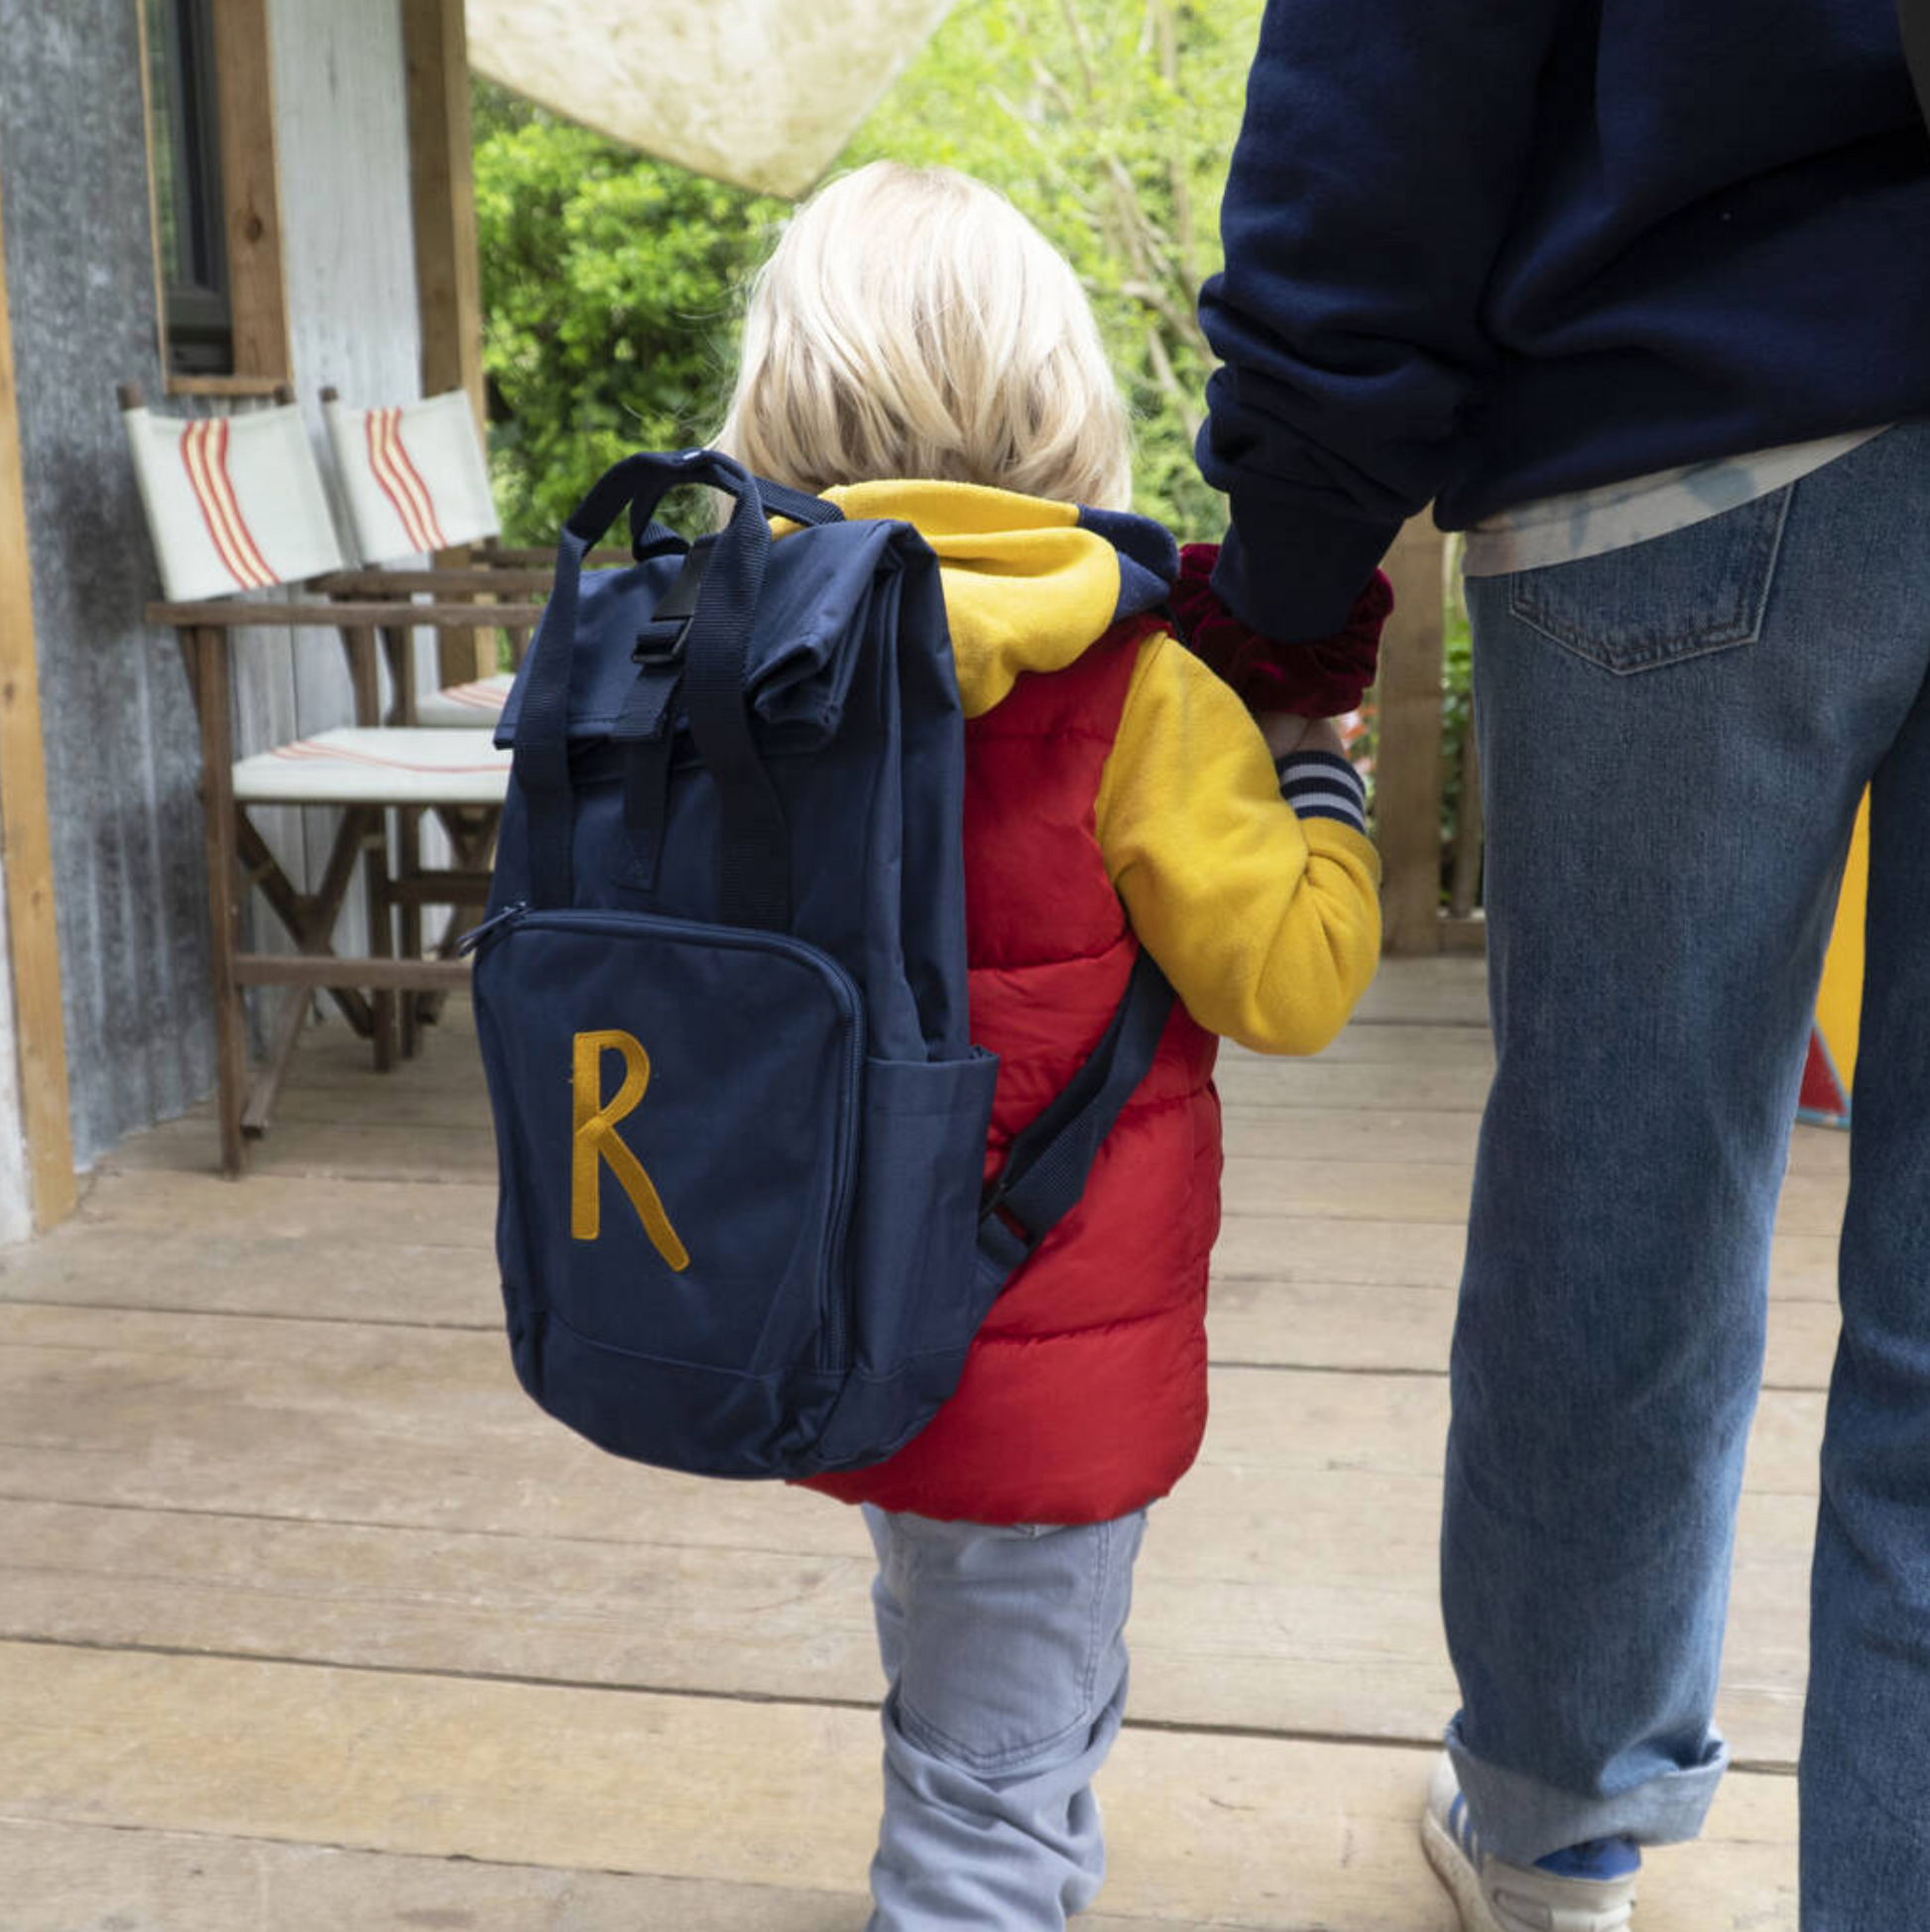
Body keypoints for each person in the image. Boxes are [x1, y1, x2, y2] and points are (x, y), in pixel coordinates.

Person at [1189, 3, 1930, 1927]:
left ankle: (1550, 1832)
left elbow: (1389, 77)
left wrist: (1293, 562)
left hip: (1682, 425)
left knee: (1623, 1192)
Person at [712, 160, 1384, 1930]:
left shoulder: (728, 663)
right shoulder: (1136, 688)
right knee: (991, 1807)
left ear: (775, 398)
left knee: (959, 1663)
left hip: (816, 1310)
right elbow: (1292, 980)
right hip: (1043, 1354)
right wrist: (1314, 771)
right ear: (1063, 407)